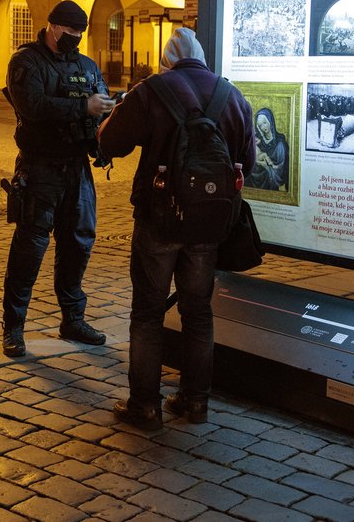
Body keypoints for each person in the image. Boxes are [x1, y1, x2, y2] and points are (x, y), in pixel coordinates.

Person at [97, 27, 255, 430]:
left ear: (166, 59)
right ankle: (196, 402)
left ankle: (145, 406)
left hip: (159, 217)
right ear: (201, 57)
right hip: (208, 223)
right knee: (198, 311)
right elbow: (248, 162)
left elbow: (111, 142)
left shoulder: (152, 90)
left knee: (148, 312)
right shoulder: (231, 94)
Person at [0, 0, 117, 357]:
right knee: (31, 246)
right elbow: (32, 106)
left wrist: (105, 124)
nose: (75, 38)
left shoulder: (86, 65)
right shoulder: (26, 61)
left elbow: (100, 108)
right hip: (40, 167)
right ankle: (14, 327)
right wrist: (83, 107)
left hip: (76, 167)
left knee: (78, 243)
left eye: (80, 33)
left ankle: (73, 319)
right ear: (52, 27)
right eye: (69, 32)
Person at [245, 107, 288, 191]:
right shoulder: (257, 139)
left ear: (270, 120)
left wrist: (266, 167)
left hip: (270, 186)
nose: (263, 127)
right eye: (260, 125)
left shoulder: (280, 145)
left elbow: (280, 175)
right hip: (251, 184)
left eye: (264, 122)